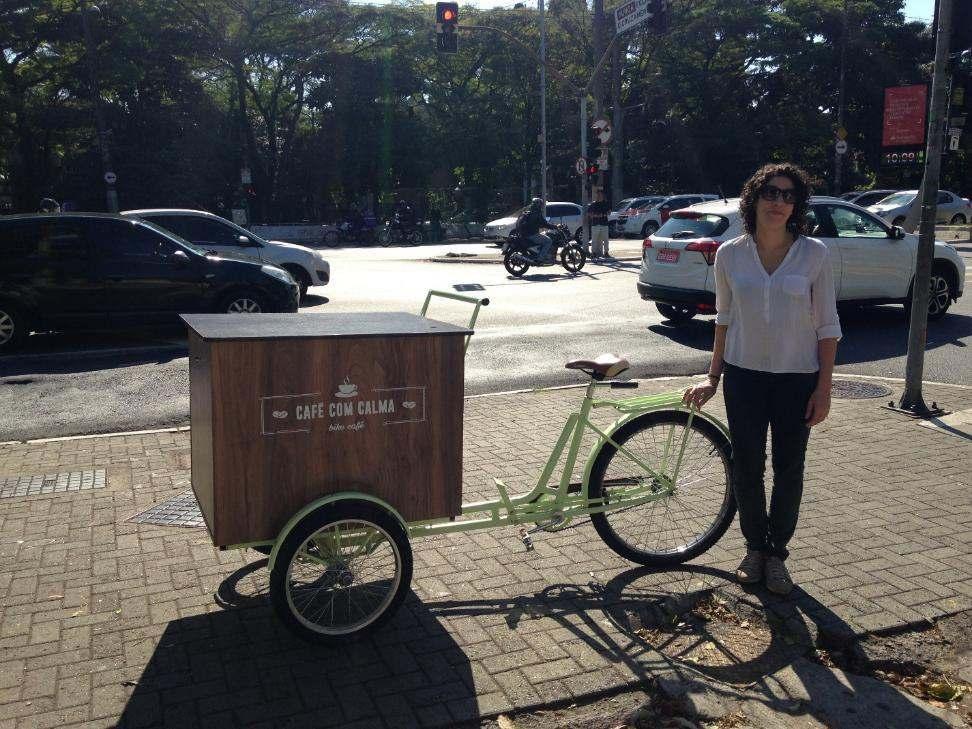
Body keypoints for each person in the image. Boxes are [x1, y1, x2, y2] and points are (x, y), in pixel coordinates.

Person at [681, 162, 841, 596]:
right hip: (744, 378)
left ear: (797, 205)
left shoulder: (814, 254)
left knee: (790, 469)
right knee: (747, 467)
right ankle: (754, 547)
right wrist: (712, 376)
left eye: (789, 196)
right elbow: (724, 318)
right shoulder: (731, 254)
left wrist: (823, 388)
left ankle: (777, 556)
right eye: (772, 192)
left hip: (797, 379)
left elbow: (827, 325)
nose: (779, 202)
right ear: (756, 197)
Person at [515, 198, 558, 262]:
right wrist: (555, 227)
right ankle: (540, 258)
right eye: (540, 204)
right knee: (548, 241)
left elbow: (538, 224)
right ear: (538, 205)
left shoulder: (529, 211)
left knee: (544, 237)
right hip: (532, 234)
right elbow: (544, 223)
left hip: (525, 234)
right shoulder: (536, 213)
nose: (541, 206)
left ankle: (538, 254)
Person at [588, 189, 611, 258]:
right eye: (598, 194)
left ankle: (606, 252)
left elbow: (609, 212)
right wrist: (597, 215)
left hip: (604, 224)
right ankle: (593, 253)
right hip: (595, 224)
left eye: (600, 194)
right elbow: (589, 214)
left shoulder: (606, 203)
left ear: (602, 195)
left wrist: (604, 214)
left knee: (606, 240)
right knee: (594, 240)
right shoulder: (593, 204)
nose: (599, 196)